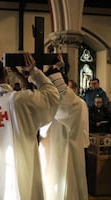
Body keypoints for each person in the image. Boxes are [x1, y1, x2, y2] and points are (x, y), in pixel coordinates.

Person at [0, 53, 59, 200]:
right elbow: (52, 96)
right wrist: (34, 72)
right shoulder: (22, 100)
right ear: (6, 73)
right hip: (23, 164)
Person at [38, 55, 89, 200]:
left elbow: (62, 98)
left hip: (65, 154)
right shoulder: (49, 102)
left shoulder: (75, 103)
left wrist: (54, 70)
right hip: (48, 153)